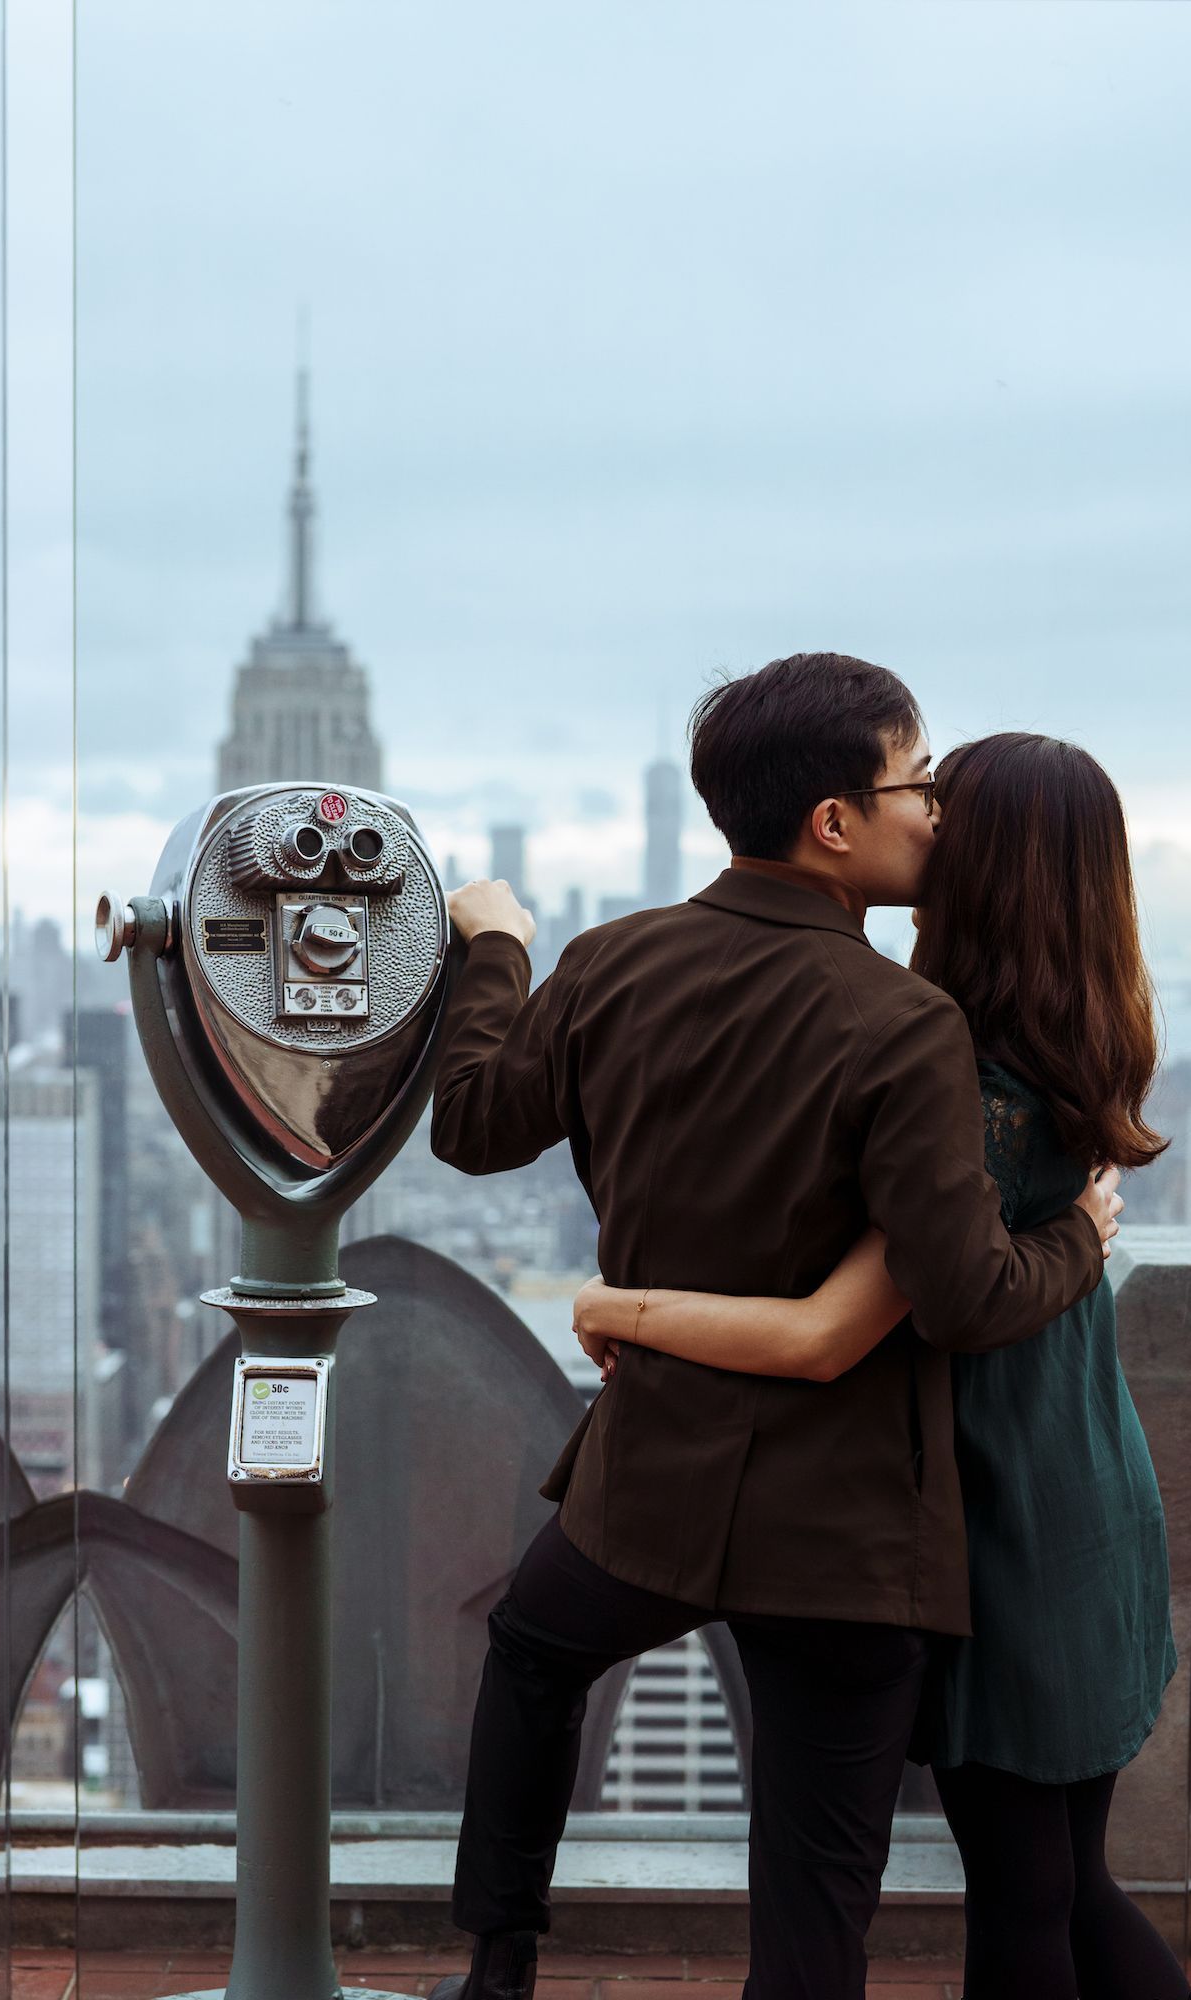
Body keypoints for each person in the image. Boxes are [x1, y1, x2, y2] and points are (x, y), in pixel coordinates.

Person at [424, 655, 1123, 2000]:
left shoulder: (611, 960)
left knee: (532, 1650)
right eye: (918, 783)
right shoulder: (905, 1025)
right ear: (835, 822)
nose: (936, 811)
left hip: (650, 1490)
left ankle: (499, 1960)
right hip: (843, 1535)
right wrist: (1074, 1242)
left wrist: (496, 948)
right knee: (811, 1908)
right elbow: (971, 1297)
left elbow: (470, 1123)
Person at [573, 732, 1186, 2000]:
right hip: (1090, 1490)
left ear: (984, 870)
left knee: (1028, 1898)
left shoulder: (948, 1071)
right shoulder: (1074, 1044)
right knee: (1067, 1879)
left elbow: (827, 1328)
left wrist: (620, 1300)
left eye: (940, 816)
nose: (919, 831)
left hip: (1001, 1522)